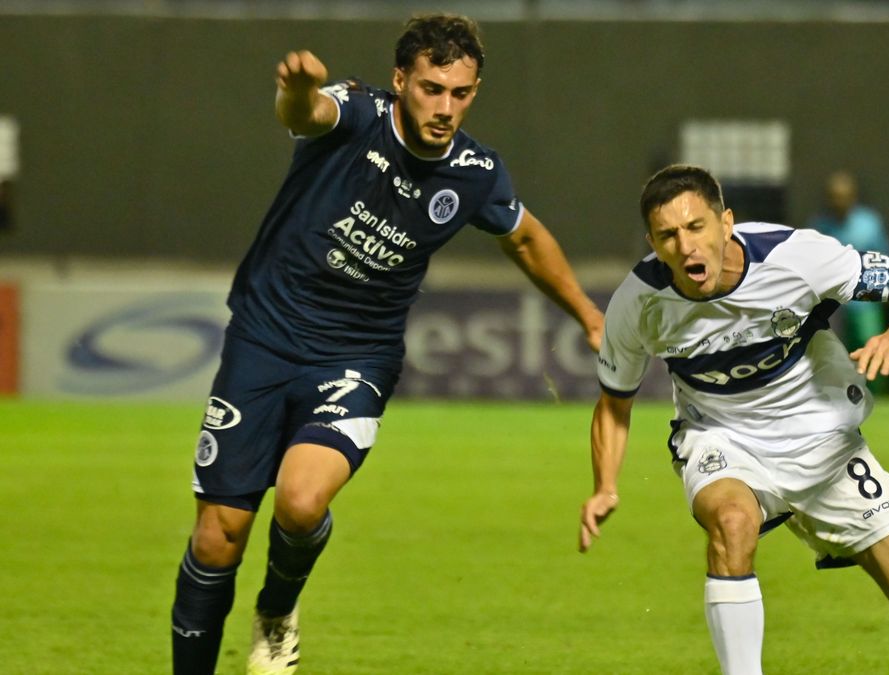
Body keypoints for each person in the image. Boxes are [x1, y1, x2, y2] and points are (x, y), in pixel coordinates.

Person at [170, 14, 604, 675]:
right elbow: (306, 112)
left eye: (460, 93)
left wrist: (587, 315)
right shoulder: (355, 113)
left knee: (301, 499)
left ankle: (277, 610)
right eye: (431, 88)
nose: (444, 108)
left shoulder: (475, 172)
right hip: (264, 337)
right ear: (401, 80)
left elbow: (524, 237)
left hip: (356, 357)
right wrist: (296, 87)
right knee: (218, 536)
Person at [580, 165, 889, 675]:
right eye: (668, 235)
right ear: (652, 241)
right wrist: (605, 484)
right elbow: (614, 401)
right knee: (732, 523)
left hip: (827, 447)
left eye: (696, 227)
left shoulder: (797, 258)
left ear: (726, 224)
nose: (686, 247)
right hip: (723, 440)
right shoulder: (638, 302)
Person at [808, 170, 889, 355]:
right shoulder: (819, 225)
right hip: (832, 300)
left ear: (853, 196)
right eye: (833, 197)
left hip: (866, 298)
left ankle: (872, 384)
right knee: (833, 350)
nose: (838, 202)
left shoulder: (870, 223)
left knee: (870, 343)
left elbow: (885, 257)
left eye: (842, 197)